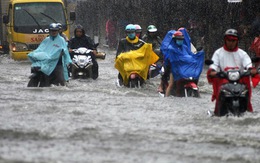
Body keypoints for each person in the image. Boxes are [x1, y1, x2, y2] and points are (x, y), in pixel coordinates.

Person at [207, 29, 259, 115]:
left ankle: (247, 110)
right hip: (224, 81)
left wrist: (252, 70)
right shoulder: (218, 53)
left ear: (237, 41)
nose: (231, 42)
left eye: (233, 40)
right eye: (229, 40)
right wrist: (214, 72)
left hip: (240, 81)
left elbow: (248, 64)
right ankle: (218, 112)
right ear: (225, 40)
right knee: (221, 93)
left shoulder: (242, 54)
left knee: (246, 93)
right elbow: (213, 66)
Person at [160, 29, 204, 97]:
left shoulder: (185, 47)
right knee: (171, 84)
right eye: (178, 39)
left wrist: (197, 57)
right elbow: (171, 60)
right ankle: (166, 97)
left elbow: (190, 55)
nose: (180, 41)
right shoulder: (171, 48)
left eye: (181, 39)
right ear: (174, 39)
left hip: (184, 67)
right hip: (174, 68)